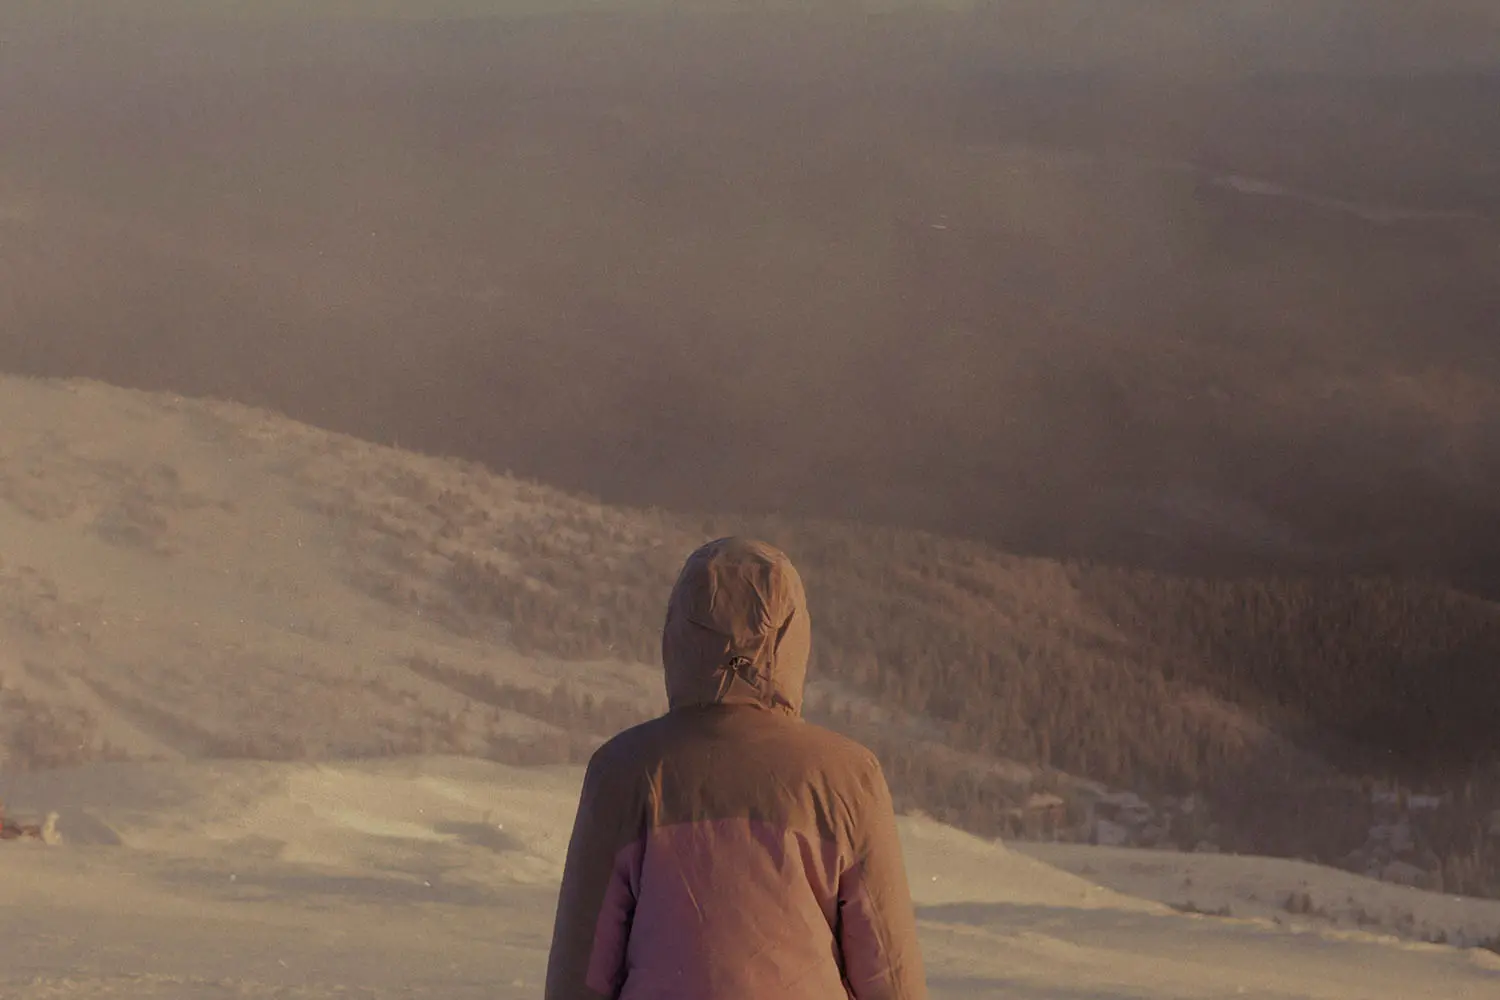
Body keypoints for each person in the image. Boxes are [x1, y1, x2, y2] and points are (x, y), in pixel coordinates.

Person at [544, 537, 927, 1000]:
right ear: (793, 637)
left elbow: (580, 968)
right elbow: (889, 970)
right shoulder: (847, 777)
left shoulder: (622, 770)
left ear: (678, 635)